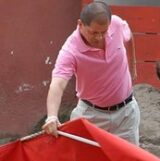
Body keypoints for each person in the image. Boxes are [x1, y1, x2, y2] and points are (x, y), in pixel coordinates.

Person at [42, 1, 140, 145]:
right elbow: (58, 84)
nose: (99, 37)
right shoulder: (70, 50)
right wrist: (51, 116)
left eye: (104, 32)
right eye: (94, 32)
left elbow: (129, 36)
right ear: (80, 24)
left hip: (126, 115)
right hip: (91, 117)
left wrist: (133, 65)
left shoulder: (116, 25)